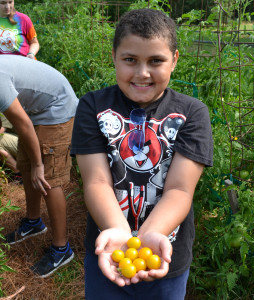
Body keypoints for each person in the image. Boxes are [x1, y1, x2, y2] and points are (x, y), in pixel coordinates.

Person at [71, 8, 213, 300]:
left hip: (166, 257)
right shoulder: (92, 107)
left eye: (156, 61)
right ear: (114, 56)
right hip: (109, 250)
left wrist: (149, 238)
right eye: (130, 60)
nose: (142, 73)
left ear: (174, 60)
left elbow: (179, 189)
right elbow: (96, 182)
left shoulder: (192, 113)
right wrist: (119, 234)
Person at [1, 55, 79, 278]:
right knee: (26, 168)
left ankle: (62, 249)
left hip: (56, 109)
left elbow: (22, 124)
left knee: (48, 179)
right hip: (34, 110)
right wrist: (32, 165)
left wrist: (39, 164)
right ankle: (34, 222)